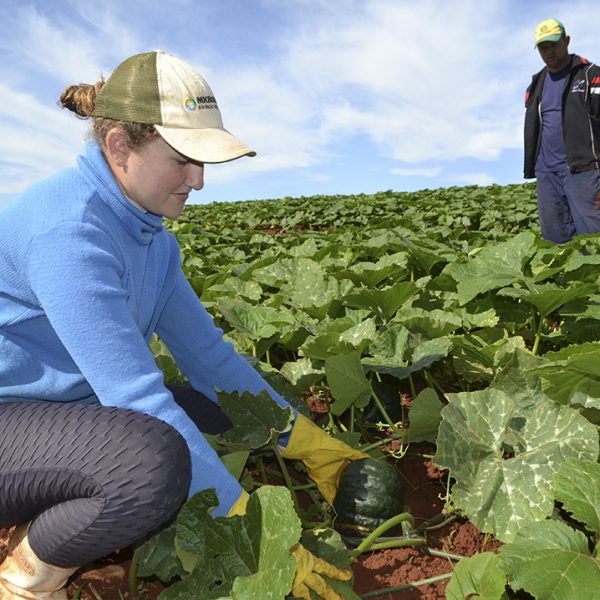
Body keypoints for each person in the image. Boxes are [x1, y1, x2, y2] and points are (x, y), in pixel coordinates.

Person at [0, 50, 366, 600]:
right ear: (120, 144)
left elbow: (209, 359)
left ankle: (61, 512)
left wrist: (309, 444)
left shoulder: (152, 237)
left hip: (67, 410)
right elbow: (134, 395)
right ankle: (29, 575)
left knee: (219, 412)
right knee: (150, 467)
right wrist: (256, 536)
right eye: (183, 160)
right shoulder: (67, 231)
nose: (198, 181)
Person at [524, 18, 600, 243]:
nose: (549, 51)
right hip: (547, 174)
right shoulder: (535, 84)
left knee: (593, 238)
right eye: (543, 47)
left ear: (566, 41)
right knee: (554, 240)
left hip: (584, 171)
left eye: (554, 44)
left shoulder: (590, 75)